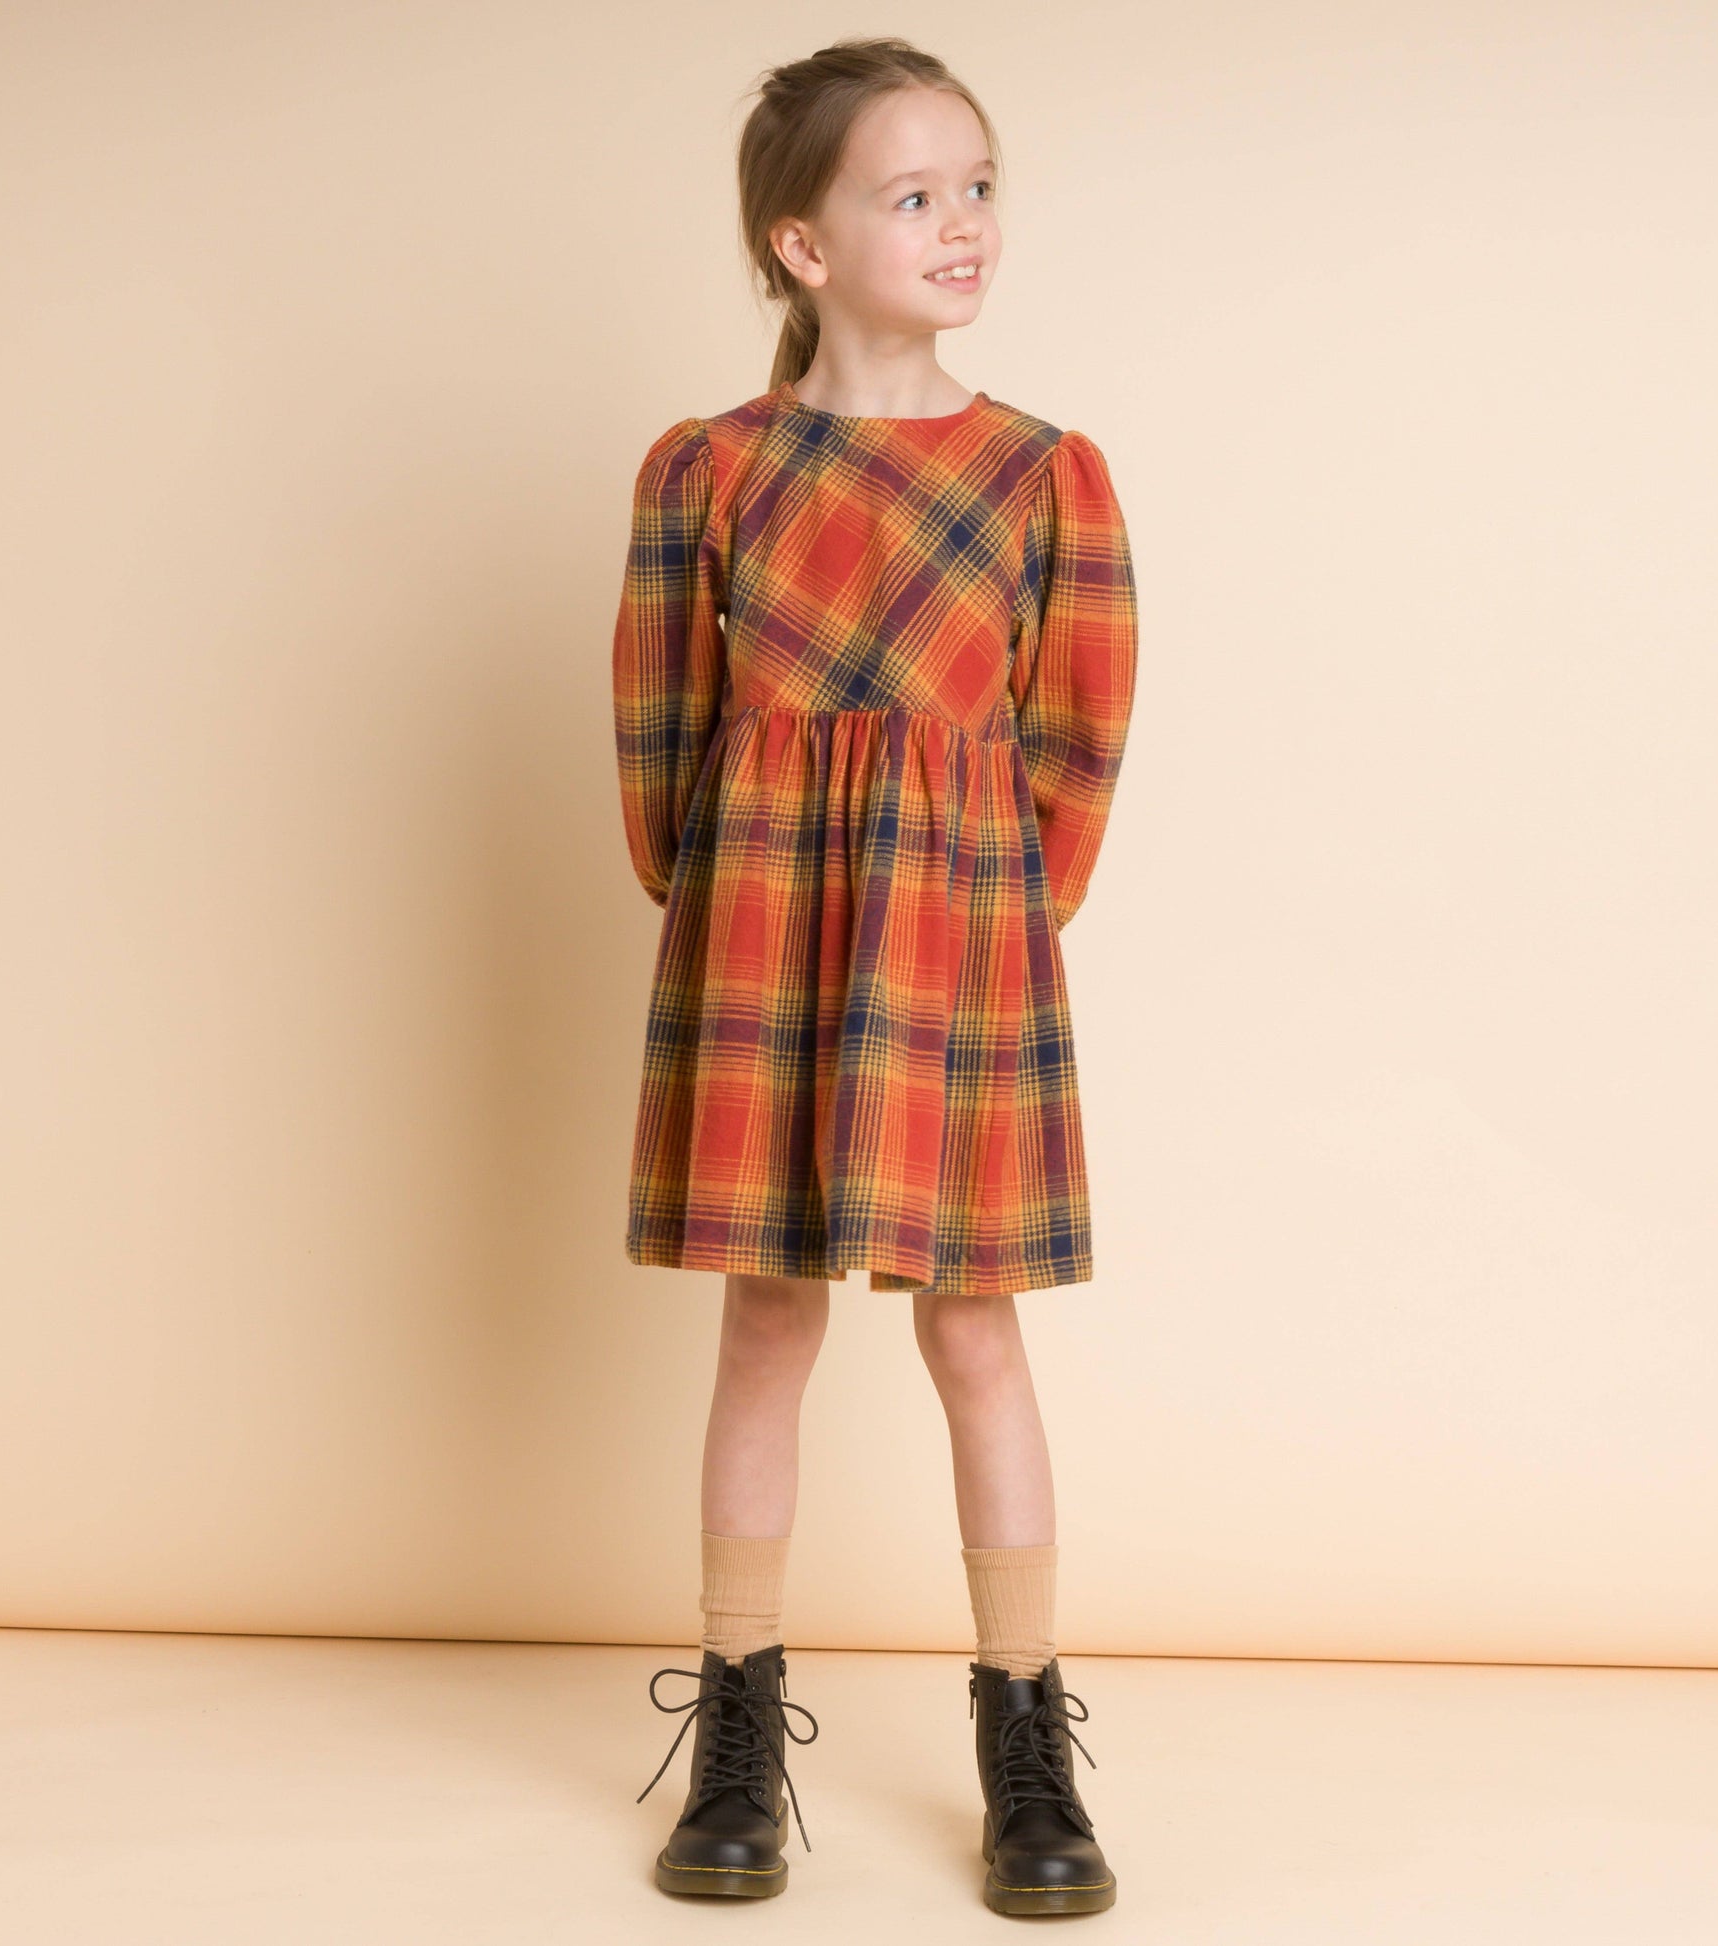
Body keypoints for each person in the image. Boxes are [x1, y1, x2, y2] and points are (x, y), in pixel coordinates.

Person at [613, 36, 1138, 1918]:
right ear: (802, 245)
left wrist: (979, 914)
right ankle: (740, 1715)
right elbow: (661, 748)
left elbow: (1073, 749)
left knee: (974, 1334)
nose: (961, 223)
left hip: (961, 955)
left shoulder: (1044, 477)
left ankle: (1024, 1733)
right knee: (765, 1322)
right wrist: (753, 900)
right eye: (911, 194)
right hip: (765, 944)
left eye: (977, 183)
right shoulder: (709, 472)